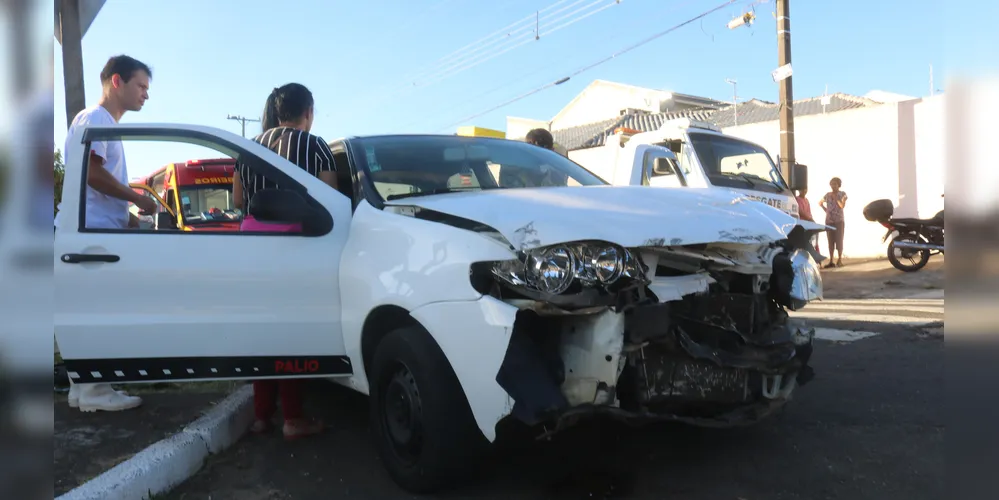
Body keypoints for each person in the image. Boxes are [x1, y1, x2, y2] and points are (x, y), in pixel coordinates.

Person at [232, 83, 337, 439]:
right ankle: (293, 418)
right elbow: (331, 199)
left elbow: (236, 199)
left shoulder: (248, 148)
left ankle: (262, 415)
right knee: (291, 331)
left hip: (252, 246)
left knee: (262, 330)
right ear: (308, 112)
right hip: (295, 245)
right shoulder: (315, 145)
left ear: (277, 112)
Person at [58, 54, 157, 412]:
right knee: (99, 317)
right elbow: (91, 175)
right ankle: (97, 394)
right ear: (117, 81)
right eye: (141, 86)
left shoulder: (98, 122)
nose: (146, 94)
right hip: (92, 237)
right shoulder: (97, 119)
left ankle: (82, 392)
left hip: (93, 232)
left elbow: (95, 188)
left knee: (87, 314)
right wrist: (138, 199)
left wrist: (133, 220)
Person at [819, 177, 848, 268]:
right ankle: (831, 260)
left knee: (839, 240)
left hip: (839, 221)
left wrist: (836, 198)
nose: (833, 186)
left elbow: (842, 206)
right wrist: (826, 210)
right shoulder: (827, 195)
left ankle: (839, 259)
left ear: (838, 185)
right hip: (829, 221)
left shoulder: (842, 194)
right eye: (831, 184)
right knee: (830, 241)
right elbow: (820, 202)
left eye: (835, 184)